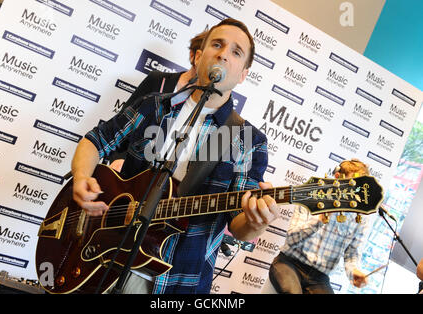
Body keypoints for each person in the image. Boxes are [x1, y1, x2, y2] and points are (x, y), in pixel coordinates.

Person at [71, 18, 278, 294]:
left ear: (243, 74)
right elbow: (94, 141)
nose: (223, 54)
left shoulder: (247, 140)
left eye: (236, 52)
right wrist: (82, 177)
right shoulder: (154, 107)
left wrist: (256, 222)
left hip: (179, 279)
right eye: (217, 44)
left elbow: (239, 226)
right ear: (199, 54)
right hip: (106, 256)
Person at [108, 30, 208, 172]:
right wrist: (119, 159)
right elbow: (120, 126)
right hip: (128, 170)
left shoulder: (208, 102)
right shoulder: (157, 80)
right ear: (194, 55)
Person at [269, 159, 370, 294]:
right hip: (288, 263)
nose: (354, 191)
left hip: (320, 278)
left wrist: (354, 272)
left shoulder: (360, 217)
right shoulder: (311, 195)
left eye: (359, 187)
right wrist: (320, 220)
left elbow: (351, 254)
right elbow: (291, 239)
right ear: (337, 177)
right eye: (351, 184)